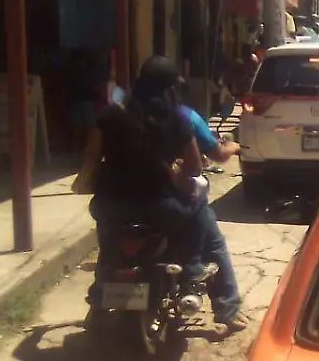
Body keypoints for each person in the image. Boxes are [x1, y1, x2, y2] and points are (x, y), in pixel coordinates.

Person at [74, 56, 209, 325]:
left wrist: (82, 183)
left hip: (112, 205)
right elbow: (194, 168)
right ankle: (193, 270)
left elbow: (91, 158)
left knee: (108, 234)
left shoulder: (111, 115)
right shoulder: (177, 119)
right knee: (199, 205)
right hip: (160, 207)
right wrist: (176, 173)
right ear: (172, 88)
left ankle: (102, 281)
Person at [177, 101, 250, 335]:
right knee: (214, 242)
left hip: (123, 198)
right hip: (170, 198)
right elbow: (213, 155)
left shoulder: (121, 113)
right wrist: (235, 146)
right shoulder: (182, 116)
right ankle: (227, 308)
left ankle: (98, 301)